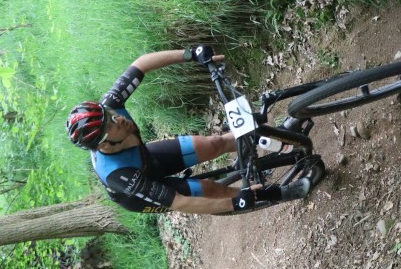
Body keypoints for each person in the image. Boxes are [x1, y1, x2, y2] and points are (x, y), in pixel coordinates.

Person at [66, 45, 313, 215]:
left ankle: (279, 137)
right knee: (211, 190)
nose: (118, 119)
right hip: (139, 192)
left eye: (111, 115)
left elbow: (140, 65)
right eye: (111, 125)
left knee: (214, 143)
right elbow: (180, 203)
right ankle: (272, 194)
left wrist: (191, 54)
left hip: (147, 158)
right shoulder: (118, 176)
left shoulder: (111, 106)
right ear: (103, 144)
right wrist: (237, 202)